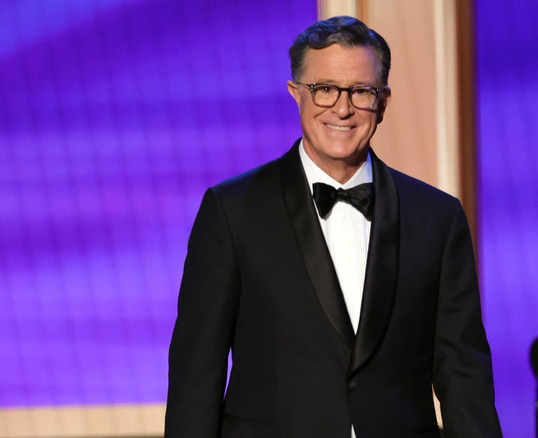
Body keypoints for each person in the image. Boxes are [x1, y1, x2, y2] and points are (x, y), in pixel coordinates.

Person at [165, 15, 502, 438]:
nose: (342, 108)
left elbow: (462, 372)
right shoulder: (232, 211)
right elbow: (197, 373)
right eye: (324, 89)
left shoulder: (436, 216)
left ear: (383, 101)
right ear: (296, 94)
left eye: (361, 91)